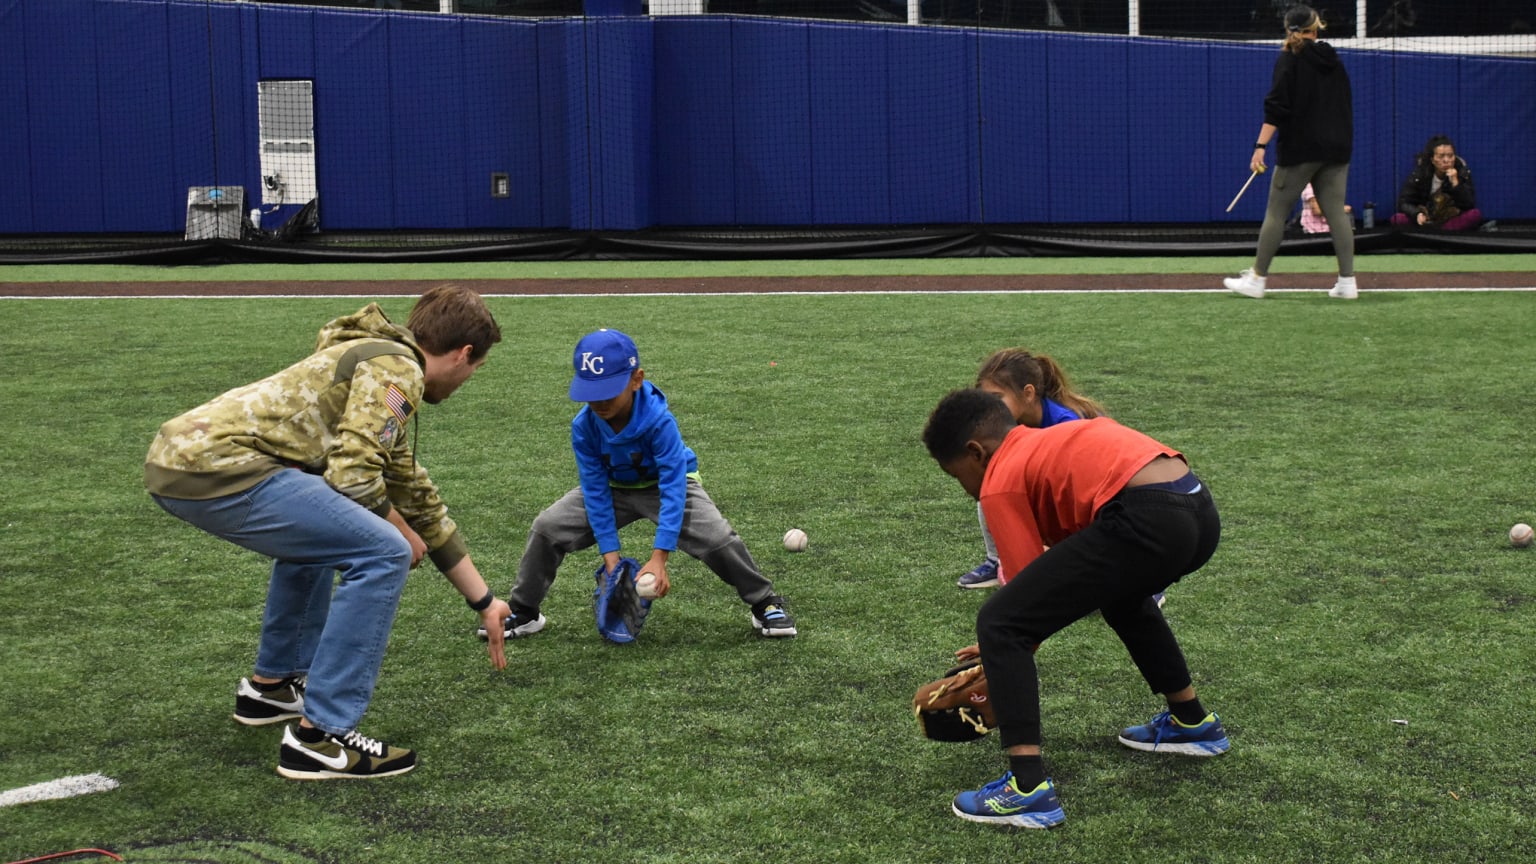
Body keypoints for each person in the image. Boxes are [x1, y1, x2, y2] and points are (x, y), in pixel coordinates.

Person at [145, 285, 510, 780]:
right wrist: (399, 531)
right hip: (218, 469)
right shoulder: (399, 371)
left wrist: (485, 602)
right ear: (464, 354)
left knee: (327, 529)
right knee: (384, 550)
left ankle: (271, 688)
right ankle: (320, 736)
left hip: (182, 463)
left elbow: (416, 495)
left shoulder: (379, 365)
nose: (470, 378)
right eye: (475, 368)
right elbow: (353, 477)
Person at [922, 389, 1229, 829]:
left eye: (958, 476)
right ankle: (1192, 723)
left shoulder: (1001, 476)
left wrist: (999, 650)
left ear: (976, 452)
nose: (967, 489)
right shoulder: (1045, 440)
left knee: (998, 621)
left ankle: (1027, 789)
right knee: (1123, 599)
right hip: (1197, 509)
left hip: (1148, 515)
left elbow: (1021, 601)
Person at [485, 328, 796, 641]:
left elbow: (674, 488)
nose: (598, 401)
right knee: (547, 527)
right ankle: (525, 611)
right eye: (590, 392)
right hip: (613, 488)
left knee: (716, 538)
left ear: (636, 379)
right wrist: (611, 559)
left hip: (666, 486)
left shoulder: (659, 421)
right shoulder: (584, 426)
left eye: (608, 390)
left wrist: (659, 558)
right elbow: (594, 490)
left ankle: (764, 601)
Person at [1224, 4, 1357, 300]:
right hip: (1337, 147)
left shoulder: (1289, 60)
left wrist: (1260, 147)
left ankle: (1257, 279)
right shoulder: (1334, 60)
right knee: (1336, 213)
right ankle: (1347, 283)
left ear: (1288, 29)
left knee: (1276, 211)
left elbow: (1277, 108)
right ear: (1316, 27)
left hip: (1301, 148)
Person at [956, 348, 1102, 590]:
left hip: (1098, 498)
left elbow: (1076, 490)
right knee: (991, 481)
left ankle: (1147, 585)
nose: (989, 408)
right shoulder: (1005, 424)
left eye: (997, 398)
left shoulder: (1066, 424)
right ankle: (996, 560)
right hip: (1057, 493)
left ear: (1028, 393)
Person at [1391, 135, 1485, 231]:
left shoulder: (1462, 172)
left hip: (1448, 218)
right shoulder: (1420, 173)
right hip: (1425, 218)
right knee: (1398, 218)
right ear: (1432, 159)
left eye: (1450, 156)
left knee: (1474, 215)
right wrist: (1417, 214)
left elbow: (1469, 204)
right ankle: (1437, 232)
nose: (1446, 161)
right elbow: (1404, 202)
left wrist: (1456, 184)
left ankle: (1436, 232)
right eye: (1441, 156)